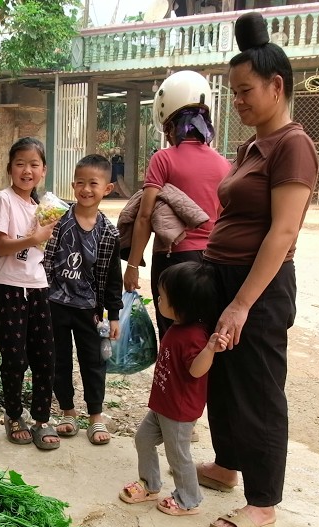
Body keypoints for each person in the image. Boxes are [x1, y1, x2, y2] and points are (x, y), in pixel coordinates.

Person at [197, 12, 319, 527]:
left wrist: (241, 304)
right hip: (223, 277)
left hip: (259, 288)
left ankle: (263, 504)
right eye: (234, 91)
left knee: (260, 390)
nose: (239, 101)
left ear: (277, 86)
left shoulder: (294, 145)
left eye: (246, 91)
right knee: (224, 381)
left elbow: (283, 232)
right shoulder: (252, 146)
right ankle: (227, 466)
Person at [121, 70, 232, 339]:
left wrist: (132, 266)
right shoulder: (223, 164)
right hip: (212, 263)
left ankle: (171, 381)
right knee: (201, 335)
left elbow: (145, 217)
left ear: (170, 123)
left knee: (172, 335)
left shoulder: (163, 159)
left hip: (174, 260)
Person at [118, 262, 226, 514]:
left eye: (163, 296)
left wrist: (209, 349)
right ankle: (150, 484)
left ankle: (189, 499)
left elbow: (197, 370)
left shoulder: (195, 336)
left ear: (183, 303)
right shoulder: (178, 328)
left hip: (178, 411)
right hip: (162, 405)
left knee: (178, 456)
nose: (157, 299)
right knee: (143, 439)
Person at [44, 154, 122, 446]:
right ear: (73, 185)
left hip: (90, 309)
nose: (86, 190)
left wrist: (113, 314)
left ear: (107, 189)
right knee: (58, 359)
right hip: (56, 304)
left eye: (93, 184)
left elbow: (113, 277)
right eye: (80, 183)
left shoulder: (109, 232)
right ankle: (67, 411)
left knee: (94, 362)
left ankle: (95, 416)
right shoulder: (58, 220)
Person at [0, 137, 60, 450]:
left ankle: (42, 419)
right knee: (15, 358)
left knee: (46, 358)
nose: (27, 170)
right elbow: (0, 245)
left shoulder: (41, 208)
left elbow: (42, 249)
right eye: (20, 163)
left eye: (34, 164)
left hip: (38, 287)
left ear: (43, 170)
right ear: (9, 169)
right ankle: (14, 415)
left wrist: (41, 237)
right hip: (8, 287)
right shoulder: (4, 200)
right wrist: (34, 238)